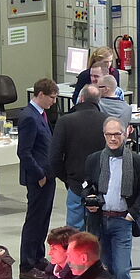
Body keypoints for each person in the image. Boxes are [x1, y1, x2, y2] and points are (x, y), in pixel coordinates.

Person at [83, 117, 140, 279]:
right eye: (109, 134)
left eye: (117, 134)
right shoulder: (94, 160)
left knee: (121, 272)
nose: (113, 138)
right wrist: (90, 201)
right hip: (100, 222)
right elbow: (86, 187)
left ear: (126, 134)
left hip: (123, 222)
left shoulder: (138, 162)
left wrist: (132, 214)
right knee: (103, 272)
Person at [17, 77, 59, 279]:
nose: (54, 102)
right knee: (34, 221)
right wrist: (40, 175)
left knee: (43, 219)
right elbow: (24, 152)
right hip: (38, 178)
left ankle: (38, 256)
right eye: (51, 98)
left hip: (48, 175)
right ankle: (27, 264)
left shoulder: (41, 114)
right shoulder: (29, 117)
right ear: (40, 95)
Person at [49, 84, 107, 231]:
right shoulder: (107, 121)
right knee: (98, 229)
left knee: (74, 230)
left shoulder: (65, 121)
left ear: (81, 98)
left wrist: (67, 178)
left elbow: (54, 157)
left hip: (75, 184)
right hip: (102, 185)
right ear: (98, 101)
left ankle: (76, 254)